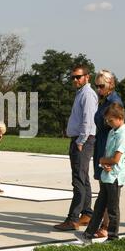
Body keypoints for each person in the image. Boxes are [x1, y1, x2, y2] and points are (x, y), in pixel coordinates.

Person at [54, 65, 98, 231]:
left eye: (78, 77)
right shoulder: (81, 93)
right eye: (72, 77)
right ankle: (87, 213)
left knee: (78, 180)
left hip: (83, 141)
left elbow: (89, 120)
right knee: (83, 178)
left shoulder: (87, 94)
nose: (74, 80)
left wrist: (80, 141)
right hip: (80, 139)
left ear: (87, 77)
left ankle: (73, 219)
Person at [82, 103, 125, 242]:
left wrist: (103, 160)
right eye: (107, 121)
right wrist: (104, 163)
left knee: (113, 209)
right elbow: (108, 155)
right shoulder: (111, 132)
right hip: (106, 175)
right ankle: (89, 232)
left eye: (111, 120)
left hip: (115, 177)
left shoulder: (123, 134)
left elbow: (115, 158)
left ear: (120, 118)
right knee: (99, 207)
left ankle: (113, 235)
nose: (108, 123)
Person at [92, 70, 123, 238]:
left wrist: (111, 157)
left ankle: (107, 226)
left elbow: (117, 129)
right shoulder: (104, 101)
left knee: (109, 189)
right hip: (101, 145)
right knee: (103, 187)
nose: (98, 89)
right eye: (96, 86)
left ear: (111, 84)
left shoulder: (114, 101)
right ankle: (103, 224)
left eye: (101, 86)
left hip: (108, 148)